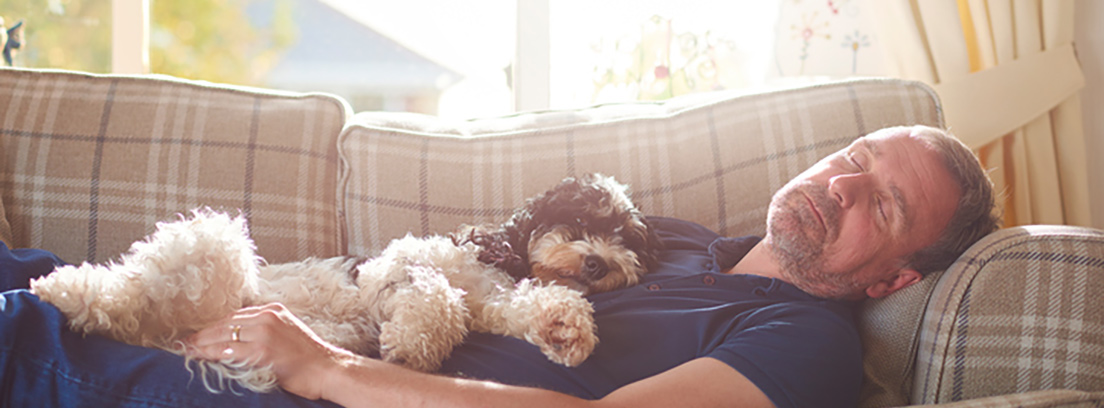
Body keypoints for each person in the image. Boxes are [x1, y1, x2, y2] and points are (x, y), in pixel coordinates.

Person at [0, 125, 999, 408]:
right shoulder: (684, 239)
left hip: (317, 391)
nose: (843, 185)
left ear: (894, 281)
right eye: (853, 160)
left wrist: (325, 368)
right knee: (36, 271)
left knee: (25, 330)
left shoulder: (804, 340)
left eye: (886, 203)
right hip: (330, 318)